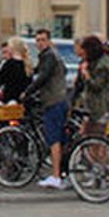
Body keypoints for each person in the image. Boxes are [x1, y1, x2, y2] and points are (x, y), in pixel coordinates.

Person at [21, 28, 69, 190]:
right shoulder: (53, 55)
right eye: (38, 40)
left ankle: (55, 176)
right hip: (60, 99)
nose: (40, 43)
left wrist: (27, 92)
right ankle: (62, 174)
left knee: (53, 139)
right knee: (60, 139)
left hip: (53, 101)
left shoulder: (48, 56)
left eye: (42, 40)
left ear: (49, 41)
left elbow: (43, 77)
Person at [78, 35, 109, 136]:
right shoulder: (94, 62)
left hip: (102, 107)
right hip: (96, 107)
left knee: (96, 137)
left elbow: (97, 85)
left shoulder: (102, 65)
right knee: (87, 134)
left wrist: (86, 74)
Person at [0, 36, 33, 103]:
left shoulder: (10, 63)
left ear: (12, 48)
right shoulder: (27, 63)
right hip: (23, 101)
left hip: (11, 100)